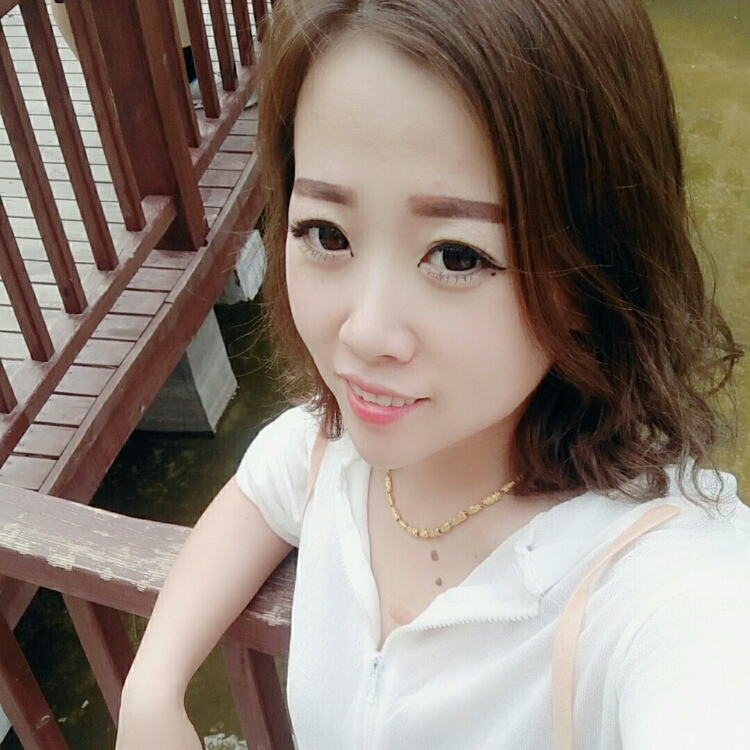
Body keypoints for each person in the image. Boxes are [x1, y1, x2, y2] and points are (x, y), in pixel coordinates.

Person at [115, 0, 750, 748]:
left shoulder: (656, 582)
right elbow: (259, 493)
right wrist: (151, 690)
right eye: (327, 233)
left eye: (456, 255)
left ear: (591, 275)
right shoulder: (333, 456)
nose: (364, 332)